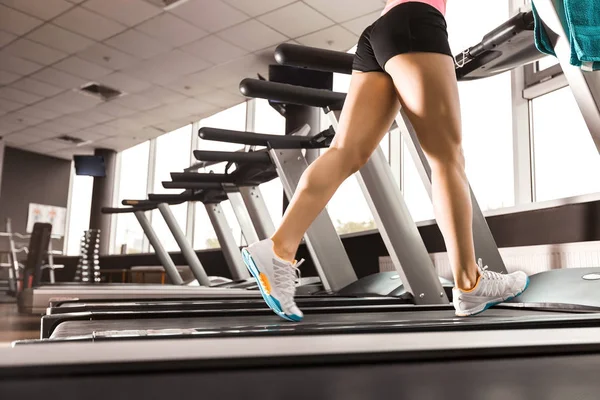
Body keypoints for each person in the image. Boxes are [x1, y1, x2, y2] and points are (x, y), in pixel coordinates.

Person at [242, 0, 529, 322]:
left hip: (379, 32)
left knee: (346, 152)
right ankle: (469, 283)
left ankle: (279, 248)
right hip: (416, 22)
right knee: (447, 158)